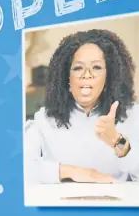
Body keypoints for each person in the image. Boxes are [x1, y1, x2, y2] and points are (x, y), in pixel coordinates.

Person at [24, 29, 139, 184]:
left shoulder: (132, 114)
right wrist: (71, 171)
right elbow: (19, 169)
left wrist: (117, 141)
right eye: (78, 68)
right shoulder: (44, 119)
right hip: (63, 207)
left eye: (96, 67)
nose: (87, 74)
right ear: (67, 78)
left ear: (109, 77)